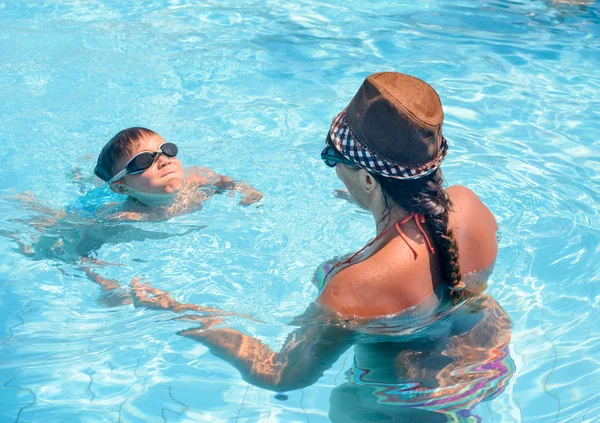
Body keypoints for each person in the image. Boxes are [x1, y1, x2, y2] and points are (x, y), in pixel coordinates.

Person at [172, 72, 514, 421]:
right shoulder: (470, 206)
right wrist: (374, 202)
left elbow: (281, 374)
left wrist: (180, 312)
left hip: (401, 405)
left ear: (368, 179)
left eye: (333, 157)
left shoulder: (355, 287)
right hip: (484, 368)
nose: (333, 168)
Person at [94, 127, 263, 221]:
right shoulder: (128, 215)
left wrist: (245, 190)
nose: (164, 160)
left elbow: (221, 180)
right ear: (122, 189)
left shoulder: (198, 179)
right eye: (144, 160)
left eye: (167, 150)